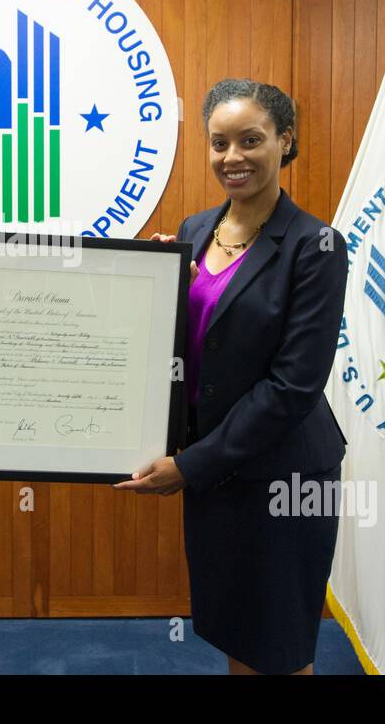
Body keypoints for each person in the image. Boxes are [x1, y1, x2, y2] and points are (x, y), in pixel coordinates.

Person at [116, 78, 348, 675]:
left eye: (251, 140)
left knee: (281, 646)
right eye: (219, 143)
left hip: (281, 477)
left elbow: (294, 385)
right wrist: (151, 282)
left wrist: (189, 466)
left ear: (285, 140)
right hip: (218, 478)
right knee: (238, 636)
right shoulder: (193, 231)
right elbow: (186, 348)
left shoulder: (316, 245)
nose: (232, 157)